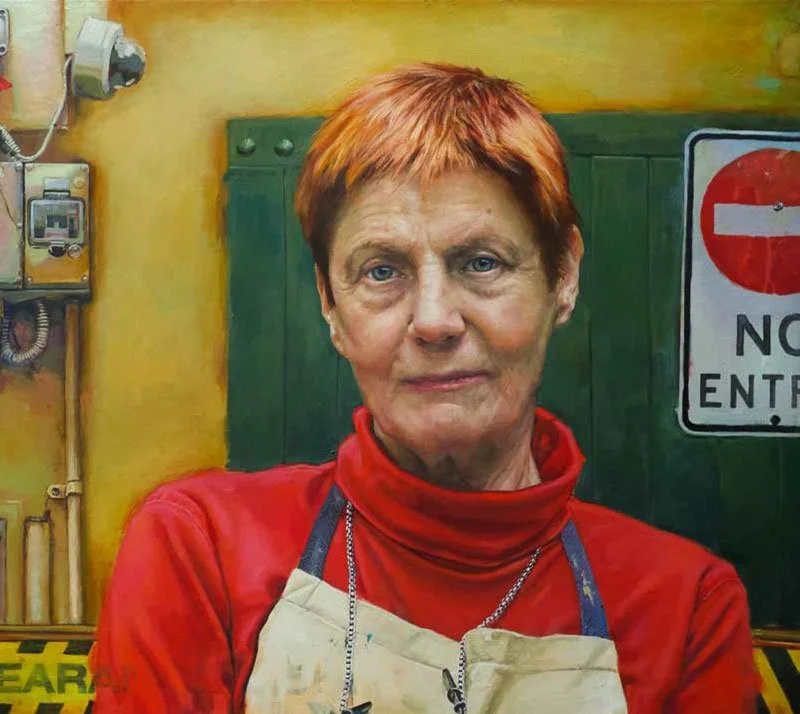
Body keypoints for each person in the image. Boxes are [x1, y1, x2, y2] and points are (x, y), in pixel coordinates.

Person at [91, 63, 758, 713]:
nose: (434, 320)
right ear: (330, 304)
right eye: (382, 271)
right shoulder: (199, 548)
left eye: (481, 262)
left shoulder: (687, 609)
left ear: (563, 277)